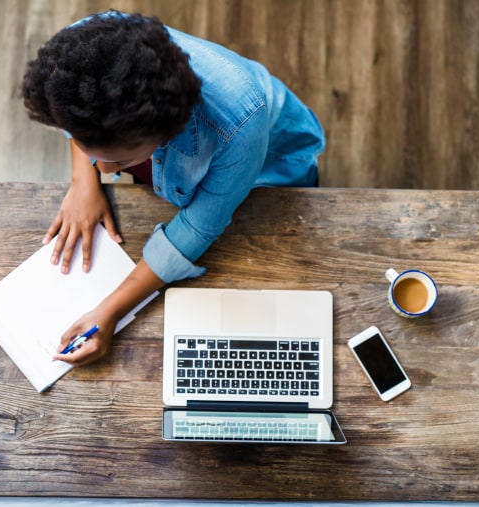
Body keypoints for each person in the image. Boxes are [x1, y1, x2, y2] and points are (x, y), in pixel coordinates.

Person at [21, 10, 324, 367]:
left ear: (165, 133)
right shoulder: (81, 51)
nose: (103, 171)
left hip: (269, 161)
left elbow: (198, 226)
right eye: (93, 154)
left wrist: (112, 309)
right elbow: (73, 124)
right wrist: (82, 183)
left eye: (118, 163)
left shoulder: (241, 123)